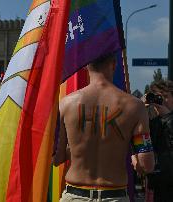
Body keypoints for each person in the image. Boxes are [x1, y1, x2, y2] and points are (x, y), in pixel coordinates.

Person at [53, 53, 155, 202]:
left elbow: (56, 158)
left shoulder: (66, 104)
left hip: (75, 196)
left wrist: (77, 149)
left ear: (86, 67)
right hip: (114, 196)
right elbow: (147, 164)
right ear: (113, 65)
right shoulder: (135, 106)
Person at [145, 80, 173, 202]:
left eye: (165, 97)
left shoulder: (168, 119)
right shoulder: (154, 121)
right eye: (158, 97)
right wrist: (141, 114)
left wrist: (168, 117)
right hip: (158, 185)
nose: (162, 101)